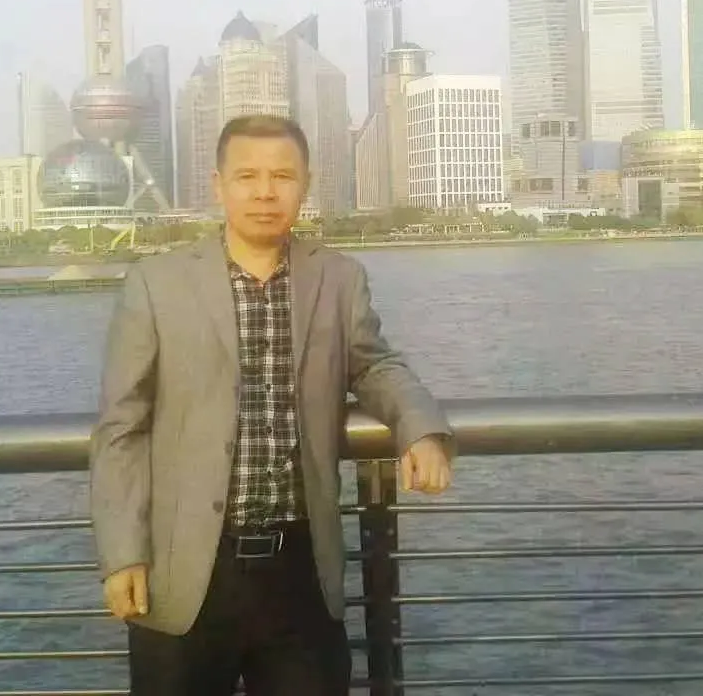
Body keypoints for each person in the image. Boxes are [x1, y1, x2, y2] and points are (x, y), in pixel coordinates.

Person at [90, 114, 454, 696]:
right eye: (247, 176)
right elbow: (121, 427)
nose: (265, 192)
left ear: (305, 185)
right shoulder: (157, 284)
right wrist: (122, 553)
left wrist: (420, 428)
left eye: (283, 176)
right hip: (183, 569)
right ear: (218, 185)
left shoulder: (338, 279)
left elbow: (375, 365)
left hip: (300, 573)